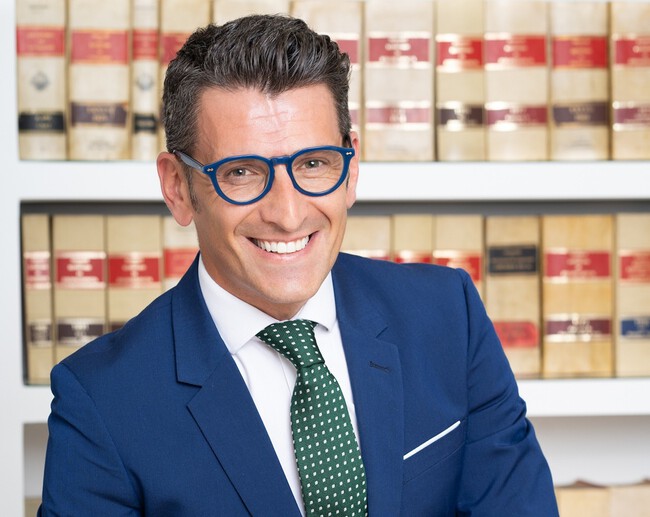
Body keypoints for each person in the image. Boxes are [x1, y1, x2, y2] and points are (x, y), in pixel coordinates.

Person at [39, 14, 559, 516]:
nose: (288, 215)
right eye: (241, 172)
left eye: (313, 164)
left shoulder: (448, 315)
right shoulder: (102, 400)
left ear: (350, 170)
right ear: (178, 188)